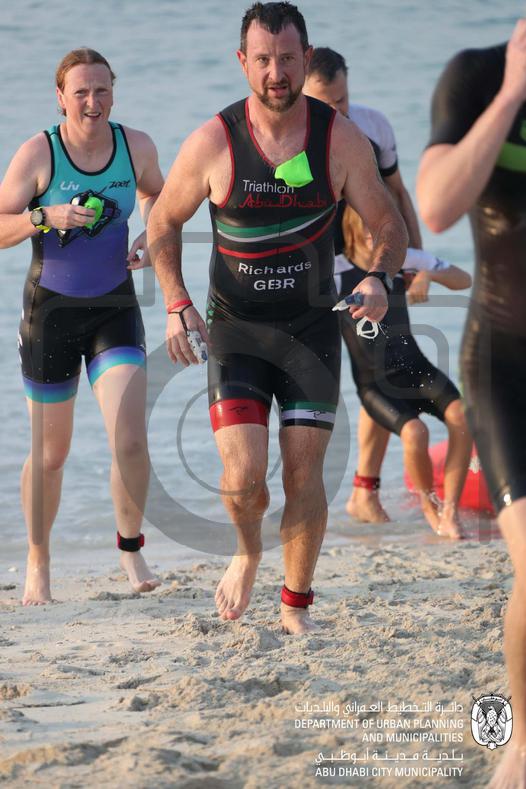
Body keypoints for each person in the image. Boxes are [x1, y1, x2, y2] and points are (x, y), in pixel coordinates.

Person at [148, 1, 407, 634]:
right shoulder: (214, 142)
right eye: (263, 60)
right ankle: (247, 552)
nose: (275, 73)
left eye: (287, 59)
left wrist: (378, 276)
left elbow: (388, 222)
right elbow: (163, 222)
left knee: (302, 473)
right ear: (243, 62)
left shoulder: (338, 139)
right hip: (235, 328)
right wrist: (176, 303)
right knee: (242, 481)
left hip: (311, 329)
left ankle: (295, 605)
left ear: (305, 57)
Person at [0, 48, 164, 604]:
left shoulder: (135, 146)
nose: (93, 102)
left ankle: (130, 548)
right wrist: (43, 216)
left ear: (113, 92)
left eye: (102, 90)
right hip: (50, 313)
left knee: (131, 441)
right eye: (81, 92)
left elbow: (159, 195)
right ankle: (38, 559)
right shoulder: (39, 153)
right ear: (61, 97)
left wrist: (149, 234)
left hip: (114, 307)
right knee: (51, 454)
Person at [417, 19, 526, 786]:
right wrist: (514, 93)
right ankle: (521, 742)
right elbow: (436, 204)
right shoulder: (478, 76)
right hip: (506, 364)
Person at [303, 47, 426, 523]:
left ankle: (364, 492)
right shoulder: (291, 137)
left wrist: (414, 257)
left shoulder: (372, 126)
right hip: (314, 275)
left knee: (385, 372)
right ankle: (320, 497)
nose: (338, 111)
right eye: (326, 103)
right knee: (326, 389)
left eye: (343, 100)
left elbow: (397, 193)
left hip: (372, 266)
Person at [338, 204, 472, 538]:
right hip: (375, 383)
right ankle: (430, 508)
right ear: (351, 228)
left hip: (416, 367)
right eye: (368, 229)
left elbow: (463, 279)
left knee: (462, 416)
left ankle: (450, 510)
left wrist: (428, 275)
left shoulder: (402, 259)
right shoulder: (335, 269)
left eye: (381, 231)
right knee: (416, 433)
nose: (374, 237)